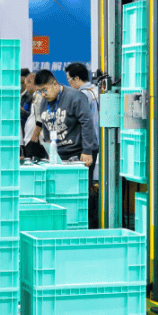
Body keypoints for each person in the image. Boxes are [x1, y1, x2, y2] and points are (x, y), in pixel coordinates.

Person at [31, 69, 98, 169]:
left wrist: (87, 150)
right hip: (58, 155)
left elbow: (87, 123)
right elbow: (46, 127)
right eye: (40, 91)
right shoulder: (44, 103)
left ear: (54, 84)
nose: (43, 94)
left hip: (79, 153)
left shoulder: (75, 97)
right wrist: (50, 152)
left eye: (45, 90)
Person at [66, 62, 101, 228]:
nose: (68, 83)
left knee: (83, 185)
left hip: (87, 147)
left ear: (77, 78)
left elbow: (86, 123)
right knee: (93, 183)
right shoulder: (97, 91)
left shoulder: (82, 95)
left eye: (69, 79)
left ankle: (85, 221)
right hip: (99, 143)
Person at [20, 70, 47, 160]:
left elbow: (40, 118)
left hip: (35, 140)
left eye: (26, 84)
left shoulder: (39, 96)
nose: (26, 87)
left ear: (31, 83)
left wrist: (34, 136)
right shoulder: (35, 96)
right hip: (31, 138)